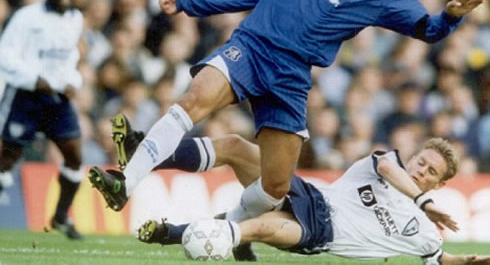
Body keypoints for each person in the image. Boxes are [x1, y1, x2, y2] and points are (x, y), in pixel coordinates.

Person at [88, 0, 486, 230]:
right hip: (253, 48)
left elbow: (429, 31)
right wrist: (191, 2)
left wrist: (450, 17)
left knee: (275, 185)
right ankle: (126, 182)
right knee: (191, 100)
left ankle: (230, 230)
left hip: (293, 77)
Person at [108, 116, 489, 263]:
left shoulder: (422, 233)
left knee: (263, 225)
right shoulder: (384, 164)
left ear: (441, 183)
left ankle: (171, 233)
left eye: (430, 172)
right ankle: (143, 154)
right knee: (238, 148)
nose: (421, 170)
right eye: (421, 161)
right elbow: (390, 167)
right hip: (311, 195)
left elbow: (443, 261)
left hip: (321, 234)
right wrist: (422, 198)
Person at [0, 0, 84, 239]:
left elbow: (70, 57)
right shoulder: (27, 17)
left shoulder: (75, 18)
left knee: (74, 156)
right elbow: (5, 54)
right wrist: (33, 78)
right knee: (7, 157)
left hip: (57, 99)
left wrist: (73, 80)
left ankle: (61, 217)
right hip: (26, 95)